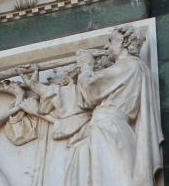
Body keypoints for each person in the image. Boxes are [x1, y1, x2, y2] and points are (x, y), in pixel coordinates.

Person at [64, 26, 162, 186]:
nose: (106, 46)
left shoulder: (128, 66)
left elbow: (91, 89)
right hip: (119, 129)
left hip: (108, 127)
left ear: (125, 41)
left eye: (110, 41)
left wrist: (87, 66)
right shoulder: (139, 68)